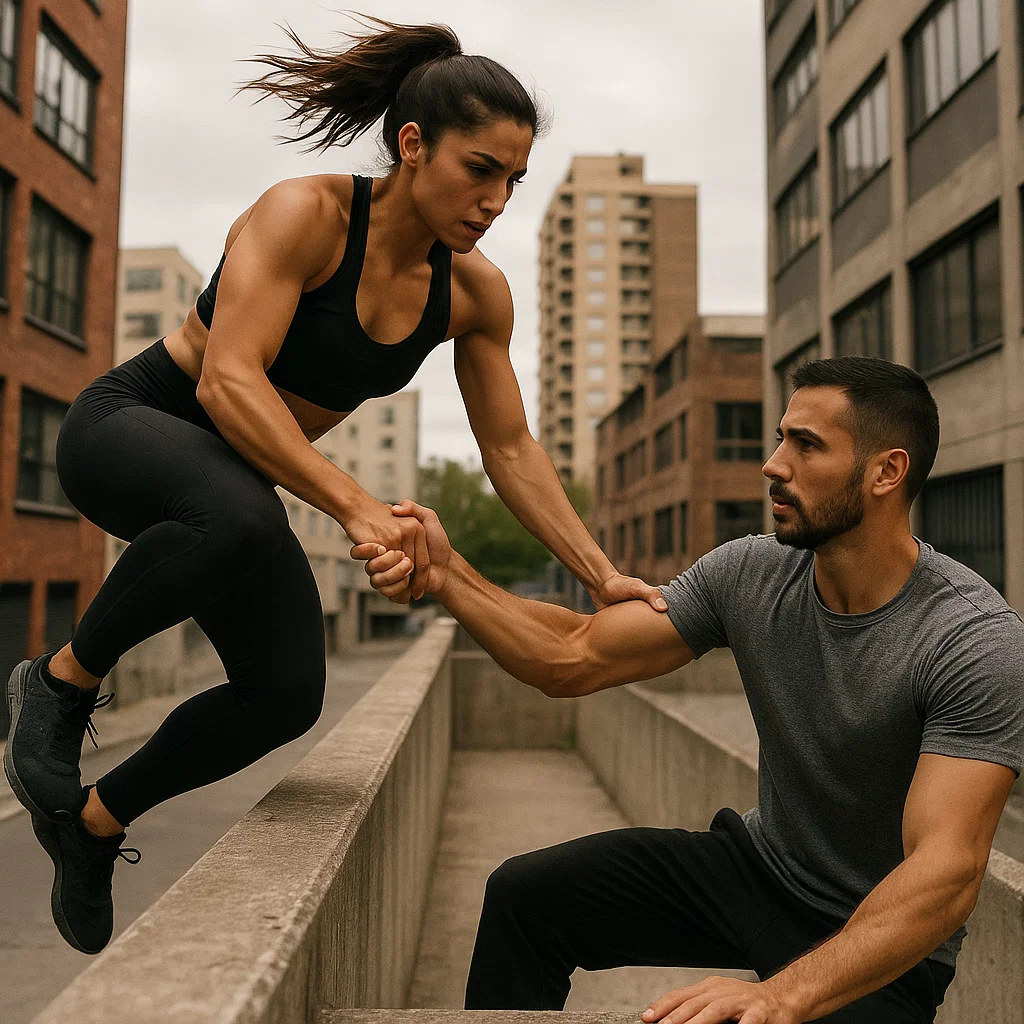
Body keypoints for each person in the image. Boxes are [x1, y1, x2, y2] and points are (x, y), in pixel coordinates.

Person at [3, 16, 665, 957]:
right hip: (130, 429)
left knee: (285, 693)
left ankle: (93, 826)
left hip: (233, 486)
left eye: (513, 178)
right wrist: (357, 506)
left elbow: (510, 446)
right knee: (232, 514)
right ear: (411, 144)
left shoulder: (473, 294)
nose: (497, 199)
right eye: (481, 168)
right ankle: (60, 682)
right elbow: (229, 382)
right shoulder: (306, 215)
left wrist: (601, 576)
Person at [356, 356, 1024, 1023]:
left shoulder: (972, 640)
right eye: (781, 437)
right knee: (526, 897)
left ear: (887, 472)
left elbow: (947, 873)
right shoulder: (752, 573)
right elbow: (571, 654)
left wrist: (781, 994)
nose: (773, 463)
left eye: (807, 445)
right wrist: (448, 576)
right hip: (761, 870)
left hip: (878, 937)